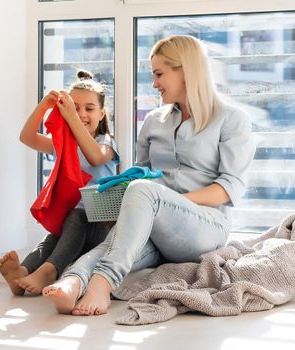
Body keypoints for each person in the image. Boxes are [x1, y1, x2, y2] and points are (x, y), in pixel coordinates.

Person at [43, 34, 256, 315]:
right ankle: (74, 279)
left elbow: (229, 188)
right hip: (157, 221)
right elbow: (138, 176)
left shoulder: (232, 119)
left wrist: (162, 202)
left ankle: (102, 283)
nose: (154, 84)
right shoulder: (155, 121)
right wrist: (130, 209)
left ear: (186, 71)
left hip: (206, 226)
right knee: (115, 240)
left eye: (159, 74)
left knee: (145, 191)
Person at [0, 70, 120, 296]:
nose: (81, 114)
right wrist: (43, 106)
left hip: (101, 228)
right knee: (53, 236)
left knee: (75, 217)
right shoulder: (66, 144)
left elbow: (95, 157)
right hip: (73, 230)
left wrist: (72, 118)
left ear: (102, 113)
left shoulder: (106, 143)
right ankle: (22, 273)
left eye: (89, 109)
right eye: (75, 108)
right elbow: (27, 138)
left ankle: (50, 270)